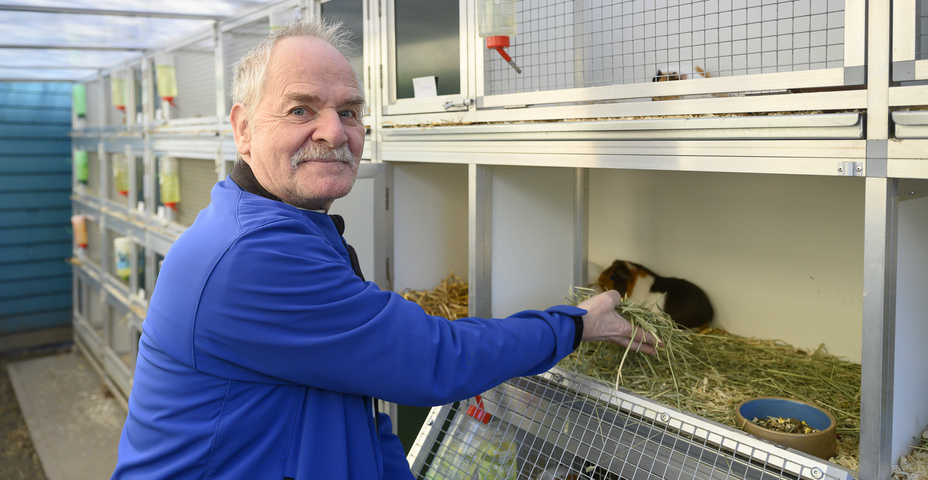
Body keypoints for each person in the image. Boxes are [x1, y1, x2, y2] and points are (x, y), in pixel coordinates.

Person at [111, 17, 660, 480]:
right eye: (301, 109)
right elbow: (435, 359)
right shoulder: (253, 255)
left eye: (348, 112)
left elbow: (358, 416)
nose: (333, 131)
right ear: (244, 129)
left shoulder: (288, 227)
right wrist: (574, 324)